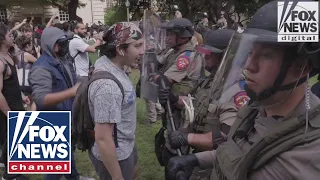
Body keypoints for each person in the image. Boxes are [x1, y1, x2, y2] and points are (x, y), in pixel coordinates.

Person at [167, 1, 320, 179]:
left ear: (303, 65)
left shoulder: (309, 154)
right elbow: (240, 152)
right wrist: (196, 159)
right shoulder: (257, 107)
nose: (249, 66)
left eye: (265, 55)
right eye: (250, 53)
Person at [160, 29, 249, 180]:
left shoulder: (236, 91)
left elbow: (226, 138)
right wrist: (175, 99)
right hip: (197, 159)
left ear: (226, 57)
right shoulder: (211, 81)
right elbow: (197, 106)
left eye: (210, 53)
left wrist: (186, 138)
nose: (205, 55)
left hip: (214, 167)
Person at [29, 27, 92, 180]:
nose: (66, 45)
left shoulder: (62, 60)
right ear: (53, 45)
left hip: (68, 116)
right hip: (53, 121)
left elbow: (72, 79)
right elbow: (41, 100)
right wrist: (71, 92)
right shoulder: (41, 68)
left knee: (68, 151)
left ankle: (74, 176)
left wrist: (88, 78)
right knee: (55, 165)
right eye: (63, 42)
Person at [87, 22, 143, 180]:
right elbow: (103, 139)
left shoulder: (110, 64)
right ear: (120, 50)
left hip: (125, 144)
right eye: (137, 46)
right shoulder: (108, 88)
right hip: (116, 156)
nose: (142, 51)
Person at [153, 18, 204, 179]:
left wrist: (151, 74)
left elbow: (164, 81)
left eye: (171, 34)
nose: (167, 37)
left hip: (182, 110)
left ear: (182, 37)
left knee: (175, 150)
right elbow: (159, 62)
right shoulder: (174, 50)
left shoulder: (187, 55)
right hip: (172, 105)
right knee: (169, 144)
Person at [0, 23, 29, 180]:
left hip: (17, 105)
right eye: (8, 34)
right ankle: (9, 176)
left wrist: (21, 95)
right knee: (11, 142)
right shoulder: (0, 62)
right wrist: (8, 113)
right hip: (8, 109)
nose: (11, 36)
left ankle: (15, 172)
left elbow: (13, 84)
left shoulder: (9, 56)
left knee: (16, 140)